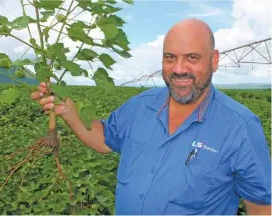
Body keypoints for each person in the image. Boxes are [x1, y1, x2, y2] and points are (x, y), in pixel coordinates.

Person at [31, 18, 271, 215]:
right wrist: (69, 113)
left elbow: (261, 205)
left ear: (214, 60)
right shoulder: (140, 105)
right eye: (170, 57)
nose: (178, 69)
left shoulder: (241, 127)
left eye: (192, 57)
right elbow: (105, 139)